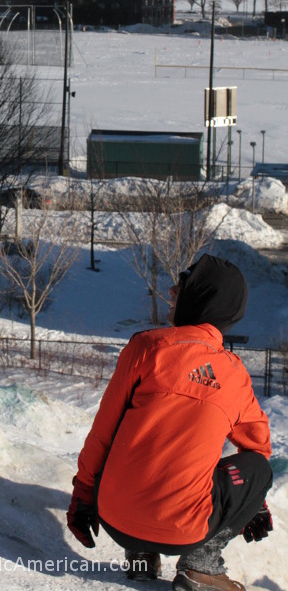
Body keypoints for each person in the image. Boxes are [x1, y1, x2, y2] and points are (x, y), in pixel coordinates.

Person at [67, 253, 273, 591]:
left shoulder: (146, 348)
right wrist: (254, 505)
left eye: (183, 285)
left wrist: (83, 495)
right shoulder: (234, 375)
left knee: (130, 428)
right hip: (186, 532)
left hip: (115, 520)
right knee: (258, 469)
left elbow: (103, 432)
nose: (172, 290)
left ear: (202, 298)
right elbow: (257, 448)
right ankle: (201, 567)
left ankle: (141, 554)